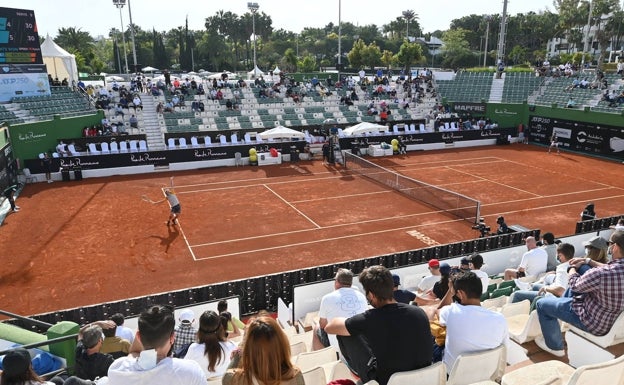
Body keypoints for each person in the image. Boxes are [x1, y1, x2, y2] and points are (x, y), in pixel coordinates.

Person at [325, 265, 433, 385]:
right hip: (426, 378)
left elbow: (329, 327)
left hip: (387, 381)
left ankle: (356, 373)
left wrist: (350, 320)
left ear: (371, 295)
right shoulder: (419, 312)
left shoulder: (369, 319)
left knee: (345, 333)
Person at [535, 231, 624, 357]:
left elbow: (575, 284)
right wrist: (587, 261)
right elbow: (609, 268)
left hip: (592, 321)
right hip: (611, 317)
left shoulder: (601, 274)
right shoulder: (609, 270)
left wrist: (571, 269)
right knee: (584, 268)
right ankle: (563, 303)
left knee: (541, 304)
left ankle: (555, 347)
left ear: (615, 247)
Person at [107, 305, 205, 385]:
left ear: (138, 337)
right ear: (172, 338)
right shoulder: (191, 371)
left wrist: (142, 331)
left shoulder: (116, 368)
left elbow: (133, 354)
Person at [435, 271, 509, 374]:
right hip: (486, 373)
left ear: (460, 293)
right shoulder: (500, 319)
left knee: (435, 345)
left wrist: (451, 291)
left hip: (453, 375)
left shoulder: (451, 311)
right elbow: (505, 349)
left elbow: (438, 310)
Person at [222, 316, 304, 385]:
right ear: (282, 345)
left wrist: (240, 350)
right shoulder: (296, 376)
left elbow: (226, 377)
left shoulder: (234, 380)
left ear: (248, 350)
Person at [311, 268, 368, 353]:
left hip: (338, 347)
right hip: (360, 343)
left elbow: (323, 325)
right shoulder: (361, 296)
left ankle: (321, 357)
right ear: (351, 283)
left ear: (337, 282)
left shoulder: (327, 298)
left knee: (316, 328)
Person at [511, 242, 574, 308]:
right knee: (534, 286)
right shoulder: (573, 264)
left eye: (557, 254)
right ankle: (527, 286)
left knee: (516, 294)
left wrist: (546, 288)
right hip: (556, 292)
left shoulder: (562, 270)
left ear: (560, 255)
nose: (557, 256)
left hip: (551, 297)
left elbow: (560, 291)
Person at [184, 310, 237, 379]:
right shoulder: (231, 346)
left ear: (200, 328)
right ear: (220, 327)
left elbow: (185, 370)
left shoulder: (194, 349)